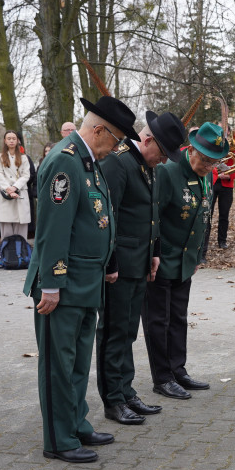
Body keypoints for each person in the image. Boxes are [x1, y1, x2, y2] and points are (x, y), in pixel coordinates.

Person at [24, 95, 139, 463]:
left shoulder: (89, 162)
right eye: (118, 139)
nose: (118, 147)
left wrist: (106, 264)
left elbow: (95, 218)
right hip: (65, 283)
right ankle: (58, 439)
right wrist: (52, 284)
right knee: (58, 364)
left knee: (76, 363)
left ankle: (76, 423)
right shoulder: (65, 161)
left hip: (87, 281)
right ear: (100, 130)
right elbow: (53, 229)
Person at [97, 111, 184, 424]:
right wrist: (111, 263)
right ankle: (113, 399)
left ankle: (127, 390)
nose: (163, 161)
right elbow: (108, 217)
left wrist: (156, 250)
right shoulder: (118, 162)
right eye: (162, 154)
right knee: (113, 332)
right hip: (118, 267)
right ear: (147, 140)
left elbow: (152, 212)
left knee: (128, 333)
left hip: (141, 263)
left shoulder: (148, 166)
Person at [141, 122, 226, 400]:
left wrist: (199, 253)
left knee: (178, 317)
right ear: (191, 150)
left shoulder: (206, 176)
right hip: (162, 260)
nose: (208, 166)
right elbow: (153, 218)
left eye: (214, 162)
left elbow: (204, 217)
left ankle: (178, 369)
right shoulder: (168, 172)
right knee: (158, 320)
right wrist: (152, 253)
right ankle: (162, 377)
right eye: (204, 160)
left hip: (185, 261)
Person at [0, 130, 32, 243]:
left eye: (13, 138)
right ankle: (7, 256)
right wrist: (9, 190)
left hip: (20, 193)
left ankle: (21, 254)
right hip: (5, 194)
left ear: (18, 140)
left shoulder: (24, 157)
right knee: (6, 227)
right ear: (5, 141)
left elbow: (26, 175)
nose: (11, 140)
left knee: (21, 227)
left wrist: (15, 187)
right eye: (9, 138)